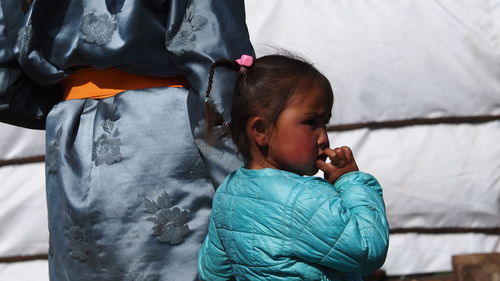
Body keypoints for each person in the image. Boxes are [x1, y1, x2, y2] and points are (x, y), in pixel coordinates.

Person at [0, 0, 253, 280]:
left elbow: (5, 85)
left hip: (70, 143)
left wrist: (76, 105)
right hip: (161, 132)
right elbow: (216, 64)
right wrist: (252, 180)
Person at [198, 54, 390, 280]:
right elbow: (367, 251)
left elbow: (212, 273)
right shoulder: (305, 198)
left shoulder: (228, 193)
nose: (324, 139)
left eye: (324, 123)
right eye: (311, 123)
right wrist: (351, 181)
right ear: (260, 130)